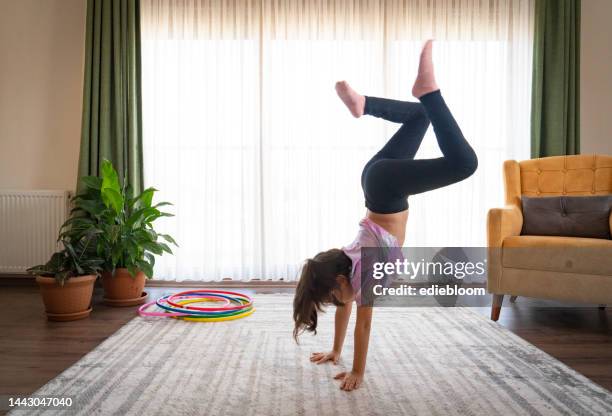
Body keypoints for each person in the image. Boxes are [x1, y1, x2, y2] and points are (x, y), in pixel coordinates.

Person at [292, 40, 478, 391]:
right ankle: (365, 104)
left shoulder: (364, 276)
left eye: (333, 298)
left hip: (387, 189)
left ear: (341, 282)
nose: (337, 305)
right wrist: (334, 351)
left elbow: (363, 324)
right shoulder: (346, 267)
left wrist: (357, 371)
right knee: (420, 117)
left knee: (465, 164)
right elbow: (347, 308)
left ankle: (429, 91)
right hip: (374, 179)